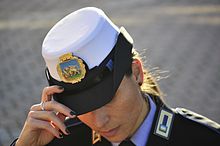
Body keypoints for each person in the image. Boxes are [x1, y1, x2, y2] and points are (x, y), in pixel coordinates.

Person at [11, 7, 220, 146]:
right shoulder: (58, 139)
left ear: (137, 72)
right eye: (82, 106)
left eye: (108, 98)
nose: (100, 122)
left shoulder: (203, 140)